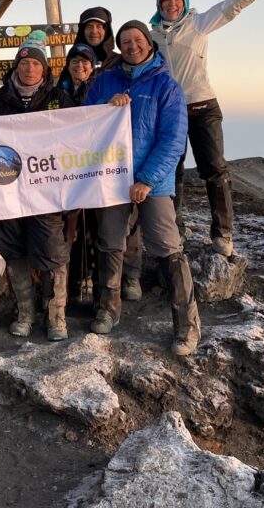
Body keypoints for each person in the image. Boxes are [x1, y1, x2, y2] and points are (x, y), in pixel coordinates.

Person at [149, 0, 264, 257]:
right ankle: (174, 231)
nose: (171, 4)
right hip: (170, 113)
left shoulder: (198, 23)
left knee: (214, 170)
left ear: (184, 1)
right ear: (159, 3)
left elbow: (232, 7)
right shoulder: (151, 37)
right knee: (171, 172)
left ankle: (223, 236)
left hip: (202, 107)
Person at [84, 20, 199, 356]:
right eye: (125, 41)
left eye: (137, 40)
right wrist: (106, 109)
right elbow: (83, 124)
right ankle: (109, 308)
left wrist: (147, 179)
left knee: (167, 248)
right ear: (119, 47)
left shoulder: (167, 86)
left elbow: (173, 139)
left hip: (154, 183)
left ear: (149, 43)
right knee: (109, 243)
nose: (132, 46)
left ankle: (186, 326)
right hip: (111, 179)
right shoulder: (104, 82)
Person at [0, 32, 74, 341]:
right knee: (13, 250)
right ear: (16, 66)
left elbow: (78, 134)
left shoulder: (58, 98)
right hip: (6, 192)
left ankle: (56, 315)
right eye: (25, 62)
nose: (29, 68)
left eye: (36, 63)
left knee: (52, 251)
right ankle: (25, 312)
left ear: (44, 69)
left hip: (46, 190)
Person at [57, 43, 99, 303]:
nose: (79, 66)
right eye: (74, 61)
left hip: (93, 168)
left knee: (91, 230)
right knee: (68, 231)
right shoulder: (58, 91)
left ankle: (90, 285)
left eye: (84, 61)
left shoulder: (100, 87)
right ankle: (71, 287)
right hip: (64, 169)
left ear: (92, 64)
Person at [73, 7, 119, 72]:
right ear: (82, 31)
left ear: (106, 31)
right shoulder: (73, 63)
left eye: (99, 26)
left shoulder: (119, 62)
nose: (94, 31)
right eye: (89, 26)